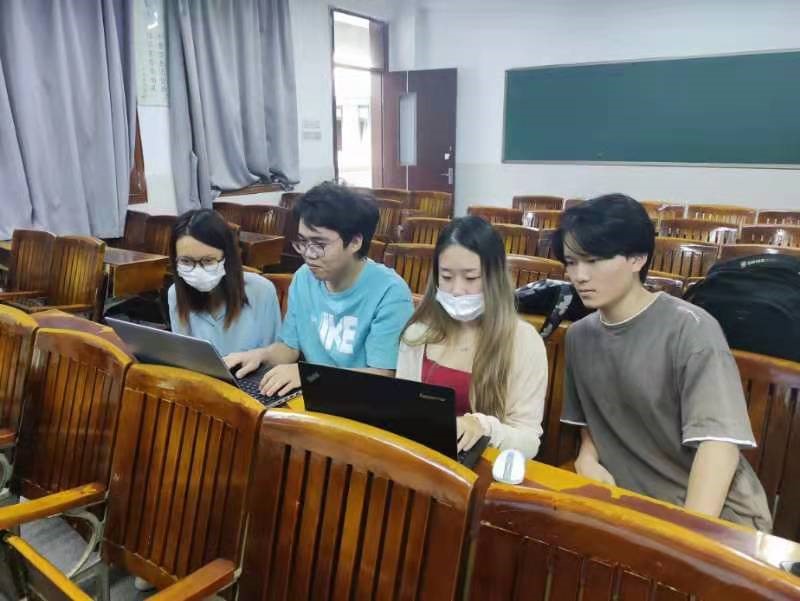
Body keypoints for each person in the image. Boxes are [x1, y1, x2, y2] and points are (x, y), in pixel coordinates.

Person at [554, 193, 772, 531]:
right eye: (571, 262)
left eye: (593, 260)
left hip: (712, 513)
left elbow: (719, 445)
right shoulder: (579, 336)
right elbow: (594, 416)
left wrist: (685, 536)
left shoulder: (691, 328)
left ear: (637, 258)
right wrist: (588, 456)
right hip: (630, 502)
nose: (579, 275)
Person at [225, 183, 414, 395]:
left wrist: (310, 376)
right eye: (302, 242)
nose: (308, 254)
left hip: (360, 402)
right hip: (312, 394)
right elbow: (289, 348)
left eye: (319, 244)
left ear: (355, 242)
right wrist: (260, 356)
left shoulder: (389, 292)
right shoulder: (304, 278)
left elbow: (382, 375)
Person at [396, 216, 547, 459]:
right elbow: (403, 413)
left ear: (494, 277)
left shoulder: (523, 341)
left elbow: (529, 442)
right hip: (422, 461)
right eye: (446, 277)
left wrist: (485, 428)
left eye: (471, 278)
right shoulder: (417, 334)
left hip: (485, 466)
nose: (457, 290)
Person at [167, 209, 281, 355]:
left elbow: (272, 357)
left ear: (227, 257)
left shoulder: (261, 291)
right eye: (186, 261)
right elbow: (184, 355)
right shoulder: (175, 293)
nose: (197, 270)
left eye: (208, 260)